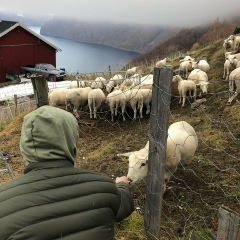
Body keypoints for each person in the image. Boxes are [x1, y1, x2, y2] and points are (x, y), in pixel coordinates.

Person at [0, 105, 134, 240]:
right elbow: (125, 206)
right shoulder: (103, 187)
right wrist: (122, 185)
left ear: (24, 146)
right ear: (71, 141)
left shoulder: (3, 202)